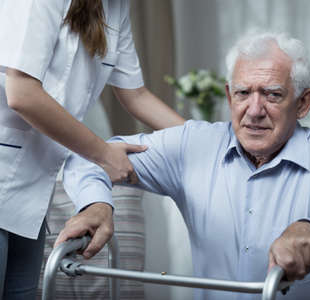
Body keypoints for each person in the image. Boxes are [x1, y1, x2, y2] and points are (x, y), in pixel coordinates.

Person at [56, 31, 310, 299]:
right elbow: (91, 155)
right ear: (229, 96)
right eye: (243, 93)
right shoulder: (193, 145)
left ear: (303, 103)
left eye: (272, 95)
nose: (254, 111)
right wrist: (95, 204)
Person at [0, 0, 184, 298]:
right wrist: (103, 154)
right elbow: (22, 93)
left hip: (29, 199)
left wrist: (212, 141)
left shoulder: (115, 8)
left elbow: (136, 95)